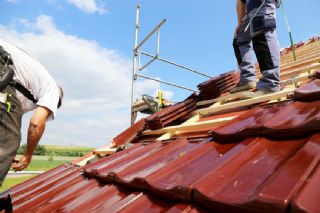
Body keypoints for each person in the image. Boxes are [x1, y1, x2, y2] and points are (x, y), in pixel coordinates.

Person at [0, 39, 63, 187]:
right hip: (2, 67)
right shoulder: (53, 89)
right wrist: (27, 156)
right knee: (11, 138)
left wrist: (9, 153)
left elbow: (6, 124)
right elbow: (36, 124)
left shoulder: (27, 90)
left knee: (8, 139)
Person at [231, 0, 281, 96]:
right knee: (239, 39)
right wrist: (240, 23)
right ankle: (247, 79)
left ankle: (270, 84)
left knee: (261, 28)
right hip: (249, 6)